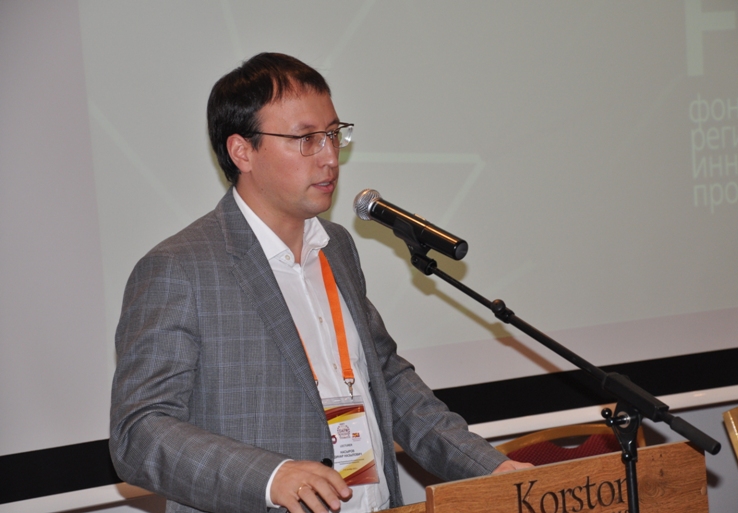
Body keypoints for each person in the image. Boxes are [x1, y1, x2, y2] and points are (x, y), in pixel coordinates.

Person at [109, 52, 530, 513]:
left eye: (333, 134)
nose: (330, 157)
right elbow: (139, 432)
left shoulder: (336, 246)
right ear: (242, 151)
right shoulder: (180, 268)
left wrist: (489, 468)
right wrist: (271, 477)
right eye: (306, 139)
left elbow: (386, 380)